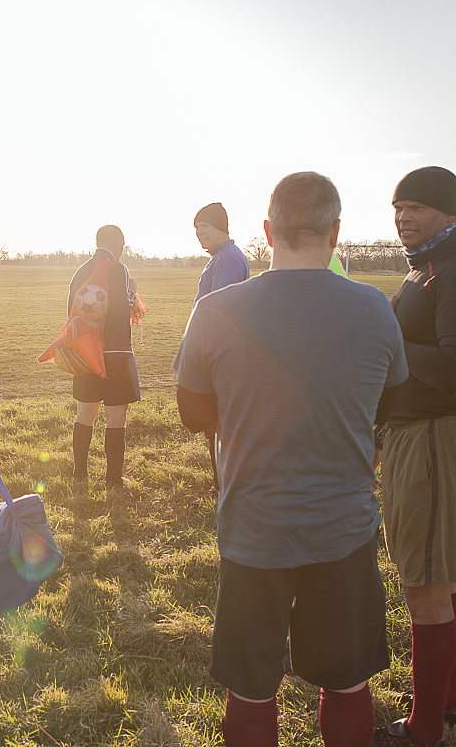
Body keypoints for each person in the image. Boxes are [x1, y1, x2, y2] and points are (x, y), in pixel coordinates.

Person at [175, 172, 408, 747]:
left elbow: (193, 415)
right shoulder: (376, 308)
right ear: (334, 232)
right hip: (344, 529)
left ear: (265, 231)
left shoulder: (215, 311)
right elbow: (391, 405)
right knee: (348, 683)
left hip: (254, 528)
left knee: (252, 689)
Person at [371, 167, 456, 747]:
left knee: (425, 579)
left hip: (433, 436)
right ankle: (447, 700)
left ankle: (424, 730)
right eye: (398, 207)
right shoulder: (423, 272)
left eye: (416, 207)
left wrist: (387, 338)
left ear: (449, 213)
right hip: (409, 435)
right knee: (441, 576)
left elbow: (453, 372)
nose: (403, 217)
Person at [68, 224, 140, 493]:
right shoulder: (117, 269)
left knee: (85, 412)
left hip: (86, 351)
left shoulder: (79, 271)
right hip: (115, 353)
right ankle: (113, 480)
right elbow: (121, 308)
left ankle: (79, 474)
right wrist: (132, 290)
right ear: (117, 241)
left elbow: (70, 310)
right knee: (115, 417)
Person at [191, 202, 251, 491]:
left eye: (204, 227)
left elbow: (220, 310)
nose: (199, 233)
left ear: (221, 228)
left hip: (221, 356)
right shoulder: (221, 257)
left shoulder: (227, 260)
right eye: (197, 229)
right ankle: (222, 483)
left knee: (218, 423)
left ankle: (225, 485)